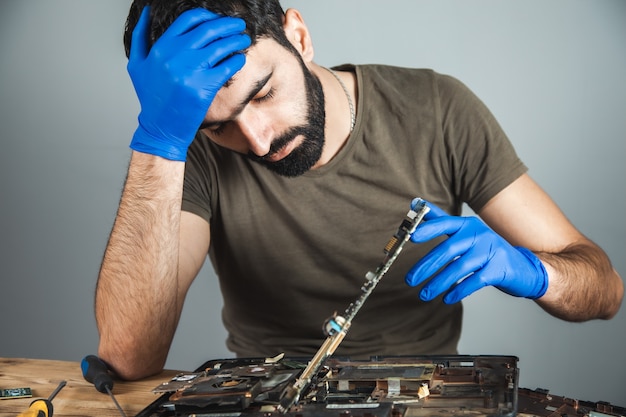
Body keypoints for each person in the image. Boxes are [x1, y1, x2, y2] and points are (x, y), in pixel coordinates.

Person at [95, 0, 623, 381]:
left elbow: (606, 292)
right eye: (219, 125)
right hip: (271, 395)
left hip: (421, 396)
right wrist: (158, 141)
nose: (256, 141)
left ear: (298, 37)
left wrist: (534, 273)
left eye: (264, 92)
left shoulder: (438, 110)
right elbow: (128, 357)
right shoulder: (186, 147)